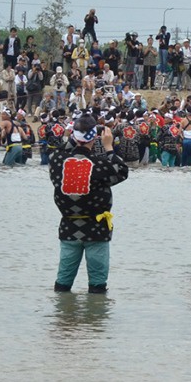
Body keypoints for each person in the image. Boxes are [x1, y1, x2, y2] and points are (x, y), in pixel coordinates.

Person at [48, 113, 130, 294]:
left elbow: (59, 150)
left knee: (62, 282)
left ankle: (64, 319)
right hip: (96, 229)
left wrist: (75, 138)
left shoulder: (56, 161)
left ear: (73, 136)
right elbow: (122, 170)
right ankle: (94, 320)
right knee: (98, 284)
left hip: (69, 227)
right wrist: (108, 147)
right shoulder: (100, 165)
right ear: (95, 136)